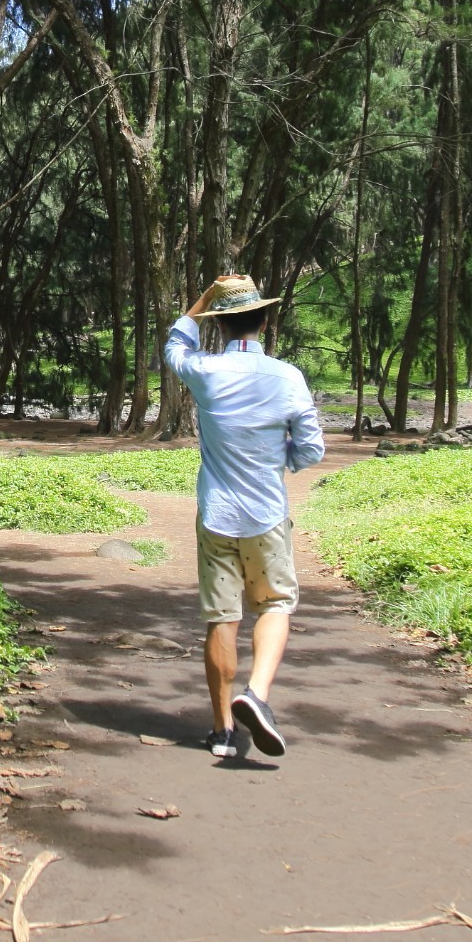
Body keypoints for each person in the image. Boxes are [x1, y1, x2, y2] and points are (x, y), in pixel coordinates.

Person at [165, 274, 326, 759]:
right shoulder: (288, 377)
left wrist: (205, 298)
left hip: (216, 514)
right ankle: (255, 694)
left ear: (220, 325)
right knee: (275, 604)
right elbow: (313, 449)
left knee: (221, 617)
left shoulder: (204, 371)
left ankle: (220, 731)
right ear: (263, 319)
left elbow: (176, 341)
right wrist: (284, 460)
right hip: (266, 514)